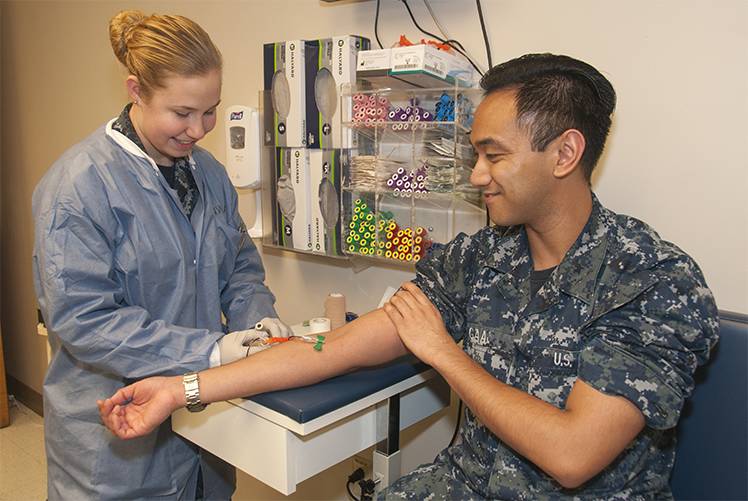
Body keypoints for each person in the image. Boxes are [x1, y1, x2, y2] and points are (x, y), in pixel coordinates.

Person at [99, 53, 719, 500]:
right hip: (462, 485)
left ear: (565, 154)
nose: (475, 175)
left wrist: (444, 355)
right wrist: (185, 389)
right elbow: (341, 346)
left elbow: (574, 456)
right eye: (475, 152)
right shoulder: (482, 256)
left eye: (493, 155)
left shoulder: (652, 280)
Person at [33, 10, 290, 501]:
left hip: (204, 434)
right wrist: (211, 352)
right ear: (136, 91)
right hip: (116, 445)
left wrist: (258, 325)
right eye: (182, 113)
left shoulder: (209, 174)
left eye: (210, 110)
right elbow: (85, 320)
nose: (199, 129)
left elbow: (238, 270)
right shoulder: (78, 187)